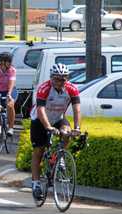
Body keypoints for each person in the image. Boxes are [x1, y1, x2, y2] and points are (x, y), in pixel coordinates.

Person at [30, 63, 81, 200]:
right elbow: (40, 110)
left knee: (67, 132)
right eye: (57, 79)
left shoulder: (72, 89)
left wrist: (77, 128)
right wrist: (48, 127)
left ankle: (59, 157)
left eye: (63, 79)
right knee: (39, 151)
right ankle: (35, 184)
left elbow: (77, 110)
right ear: (52, 78)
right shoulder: (44, 88)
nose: (60, 82)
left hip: (58, 118)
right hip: (40, 120)